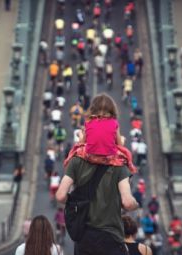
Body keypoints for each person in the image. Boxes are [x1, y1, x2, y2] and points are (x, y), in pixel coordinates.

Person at [57, 97, 138, 254]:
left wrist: (74, 200)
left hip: (84, 238)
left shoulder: (76, 161)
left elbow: (60, 196)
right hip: (111, 238)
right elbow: (128, 203)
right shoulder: (119, 166)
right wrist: (136, 204)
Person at [64, 94, 137, 174]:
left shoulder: (88, 122)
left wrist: (80, 134)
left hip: (90, 157)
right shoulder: (114, 123)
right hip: (109, 158)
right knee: (126, 154)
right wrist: (122, 139)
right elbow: (119, 144)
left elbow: (82, 142)